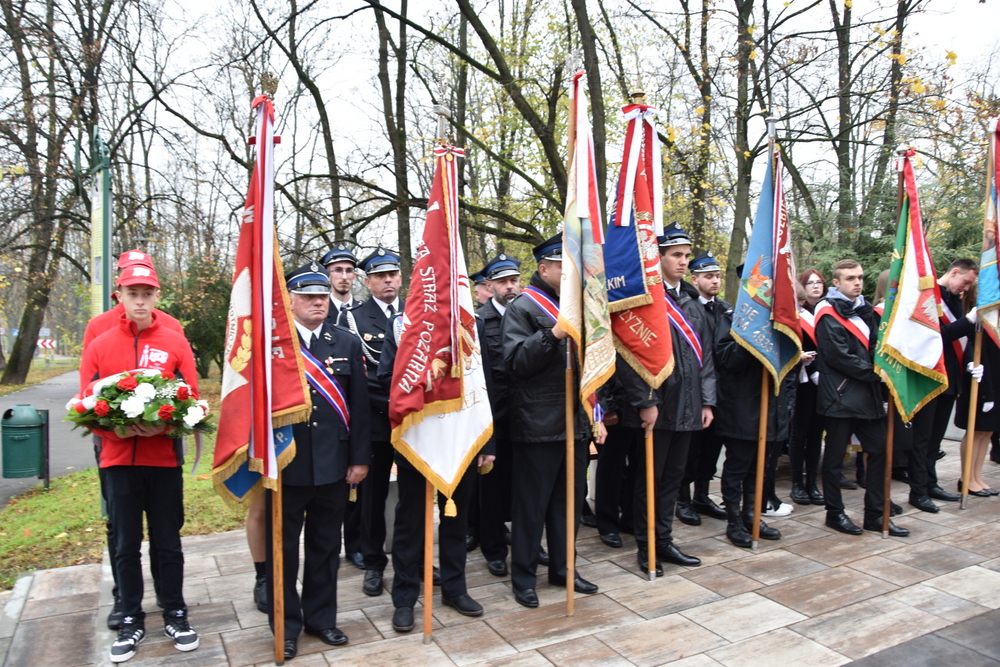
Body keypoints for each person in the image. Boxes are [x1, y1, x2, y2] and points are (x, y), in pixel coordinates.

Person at [80, 263, 200, 663]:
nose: (141, 300)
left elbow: (192, 400)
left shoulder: (175, 340)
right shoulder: (99, 343)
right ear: (120, 296)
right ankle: (131, 615)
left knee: (168, 541)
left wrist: (165, 427)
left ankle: (175, 611)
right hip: (118, 460)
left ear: (157, 296)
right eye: (133, 293)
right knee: (126, 543)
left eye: (147, 292)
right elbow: (86, 405)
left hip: (163, 459)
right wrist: (120, 432)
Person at [266, 263, 370, 660]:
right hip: (286, 465)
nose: (317, 303)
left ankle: (322, 619)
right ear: (290, 300)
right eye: (308, 296)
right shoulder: (272, 344)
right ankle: (286, 625)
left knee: (327, 547)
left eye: (322, 296)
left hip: (333, 465)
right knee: (284, 550)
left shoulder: (345, 342)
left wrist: (359, 459)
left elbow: (360, 408)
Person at [376, 307, 496, 632]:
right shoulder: (403, 324)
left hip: (462, 438)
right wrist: (424, 378)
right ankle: (404, 598)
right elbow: (386, 377)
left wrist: (487, 444)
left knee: (456, 520)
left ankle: (455, 589)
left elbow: (486, 382)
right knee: (410, 522)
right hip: (418, 437)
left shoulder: (472, 323)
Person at [502, 234, 605, 608]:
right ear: (544, 269)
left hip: (575, 423)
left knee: (570, 503)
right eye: (563, 265)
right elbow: (516, 363)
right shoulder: (524, 307)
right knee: (531, 506)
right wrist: (554, 334)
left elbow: (594, 363)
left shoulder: (580, 305)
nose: (570, 272)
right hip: (538, 423)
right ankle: (524, 577)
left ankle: (564, 567)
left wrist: (597, 413)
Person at [618, 224, 714, 575]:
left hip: (689, 407)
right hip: (657, 409)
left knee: (673, 480)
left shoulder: (690, 300)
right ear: (656, 258)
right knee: (650, 480)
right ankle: (647, 548)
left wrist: (707, 401)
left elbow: (705, 358)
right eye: (676, 255)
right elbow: (630, 356)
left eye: (687, 255)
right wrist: (645, 401)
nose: (684, 261)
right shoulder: (643, 299)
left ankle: (665, 539)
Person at [815, 259, 909, 537]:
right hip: (840, 397)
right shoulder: (827, 311)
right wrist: (878, 374)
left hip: (866, 398)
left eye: (860, 277)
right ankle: (835, 513)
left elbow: (874, 346)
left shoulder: (865, 311)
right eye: (850, 278)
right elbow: (839, 356)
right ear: (836, 283)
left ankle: (876, 514)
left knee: (880, 451)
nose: (857, 282)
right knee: (832, 462)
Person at [337, 247, 405, 598]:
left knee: (413, 498)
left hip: (414, 425)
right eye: (380, 275)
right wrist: (399, 404)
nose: (388, 280)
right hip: (378, 424)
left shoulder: (416, 315)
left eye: (393, 274)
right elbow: (361, 380)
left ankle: (414, 560)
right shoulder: (353, 320)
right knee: (372, 500)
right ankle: (375, 563)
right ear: (367, 281)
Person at [714, 291, 794, 548]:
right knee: (738, 467)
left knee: (760, 469)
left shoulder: (782, 321)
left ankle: (752, 514)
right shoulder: (733, 319)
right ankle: (734, 521)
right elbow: (725, 356)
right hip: (743, 408)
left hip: (774, 409)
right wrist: (753, 338)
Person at [916, 259, 979, 506]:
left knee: (935, 439)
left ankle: (930, 484)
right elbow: (934, 337)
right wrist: (967, 322)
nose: (965, 288)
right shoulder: (930, 295)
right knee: (923, 438)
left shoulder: (955, 299)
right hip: (931, 377)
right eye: (965, 282)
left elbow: (964, 342)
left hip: (951, 378)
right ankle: (918, 490)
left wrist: (971, 362)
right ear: (954, 272)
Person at [474, 253, 522, 575]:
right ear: (489, 286)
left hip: (528, 417)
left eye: (514, 280)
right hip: (493, 419)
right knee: (490, 490)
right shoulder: (478, 321)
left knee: (525, 487)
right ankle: (492, 547)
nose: (510, 286)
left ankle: (525, 542)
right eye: (503, 281)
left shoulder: (531, 314)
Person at [320, 242, 365, 571]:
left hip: (361, 406)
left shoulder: (362, 313)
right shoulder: (319, 312)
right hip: (327, 414)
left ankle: (356, 544)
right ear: (327, 275)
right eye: (338, 270)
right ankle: (329, 545)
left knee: (358, 488)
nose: (344, 277)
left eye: (350, 271)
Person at [675, 250, 729, 526]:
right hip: (694, 389)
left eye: (718, 276)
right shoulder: (687, 307)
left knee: (711, 448)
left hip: (719, 389)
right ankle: (682, 499)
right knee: (691, 450)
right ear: (695, 279)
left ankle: (703, 495)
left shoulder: (724, 308)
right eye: (709, 276)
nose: (715, 281)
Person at [789, 270, 825, 506]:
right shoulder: (789, 318)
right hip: (798, 384)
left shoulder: (818, 315)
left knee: (815, 435)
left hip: (819, 383)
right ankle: (796, 483)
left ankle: (812, 482)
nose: (801, 307)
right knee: (798, 434)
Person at [954, 330, 994, 496]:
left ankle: (977, 476)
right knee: (975, 432)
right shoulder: (981, 325)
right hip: (982, 384)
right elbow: (971, 348)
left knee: (987, 433)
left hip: (995, 386)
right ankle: (966, 478)